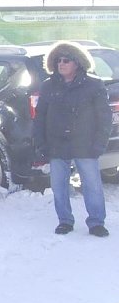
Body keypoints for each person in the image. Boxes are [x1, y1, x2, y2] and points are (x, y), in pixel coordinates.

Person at [33, 41, 112, 237]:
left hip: (85, 144)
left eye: (66, 60)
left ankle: (96, 223)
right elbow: (40, 116)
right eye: (58, 60)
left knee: (92, 184)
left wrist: (99, 144)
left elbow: (104, 117)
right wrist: (41, 143)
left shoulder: (93, 85)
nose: (61, 64)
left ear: (77, 63)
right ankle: (65, 221)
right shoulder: (48, 86)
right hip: (57, 144)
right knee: (59, 186)